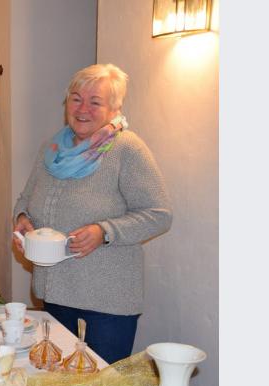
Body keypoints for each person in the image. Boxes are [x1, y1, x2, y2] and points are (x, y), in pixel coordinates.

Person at [12, 63, 171, 364]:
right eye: (76, 98)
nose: (82, 108)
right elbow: (25, 198)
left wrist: (104, 232)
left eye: (95, 101)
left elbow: (159, 213)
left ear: (114, 108)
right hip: (55, 293)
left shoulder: (127, 150)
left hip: (107, 303)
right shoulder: (53, 149)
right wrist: (22, 219)